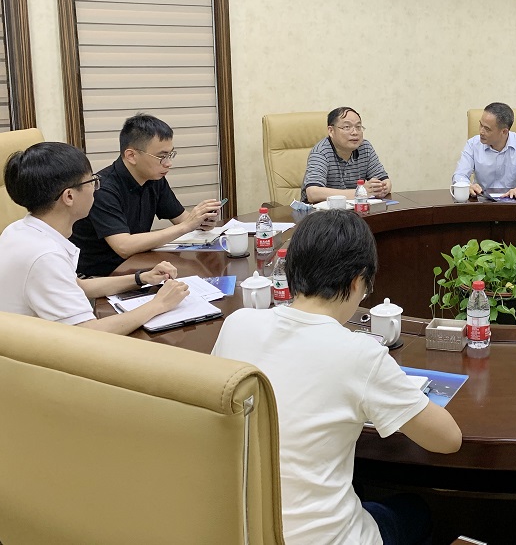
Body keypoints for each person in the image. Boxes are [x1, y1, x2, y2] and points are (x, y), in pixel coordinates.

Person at [211, 209, 462, 545]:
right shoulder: (361, 354)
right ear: (358, 281)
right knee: (415, 510)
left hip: (240, 530)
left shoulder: (238, 324)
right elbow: (448, 440)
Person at [0, 142, 189, 334]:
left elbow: (79, 286)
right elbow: (88, 333)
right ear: (69, 196)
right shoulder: (46, 257)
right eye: (91, 181)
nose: (96, 188)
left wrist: (141, 278)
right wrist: (159, 304)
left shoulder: (18, 230)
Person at [70, 114, 223, 276]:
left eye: (170, 155)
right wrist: (187, 226)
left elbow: (182, 219)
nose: (168, 163)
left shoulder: (154, 178)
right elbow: (123, 246)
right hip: (99, 276)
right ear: (131, 156)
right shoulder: (103, 189)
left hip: (138, 265)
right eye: (161, 157)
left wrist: (202, 221)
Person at [301, 107, 391, 203]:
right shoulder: (321, 151)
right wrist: (360, 192)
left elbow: (385, 181)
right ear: (331, 131)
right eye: (347, 127)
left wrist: (381, 188)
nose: (355, 132)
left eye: (358, 127)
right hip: (322, 211)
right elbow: (313, 193)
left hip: (354, 209)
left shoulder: (365, 147)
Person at [452, 102, 516, 202]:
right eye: (481, 125)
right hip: (481, 202)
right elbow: (459, 175)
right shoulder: (472, 144)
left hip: (512, 203)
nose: (481, 131)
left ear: (504, 132)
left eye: (487, 129)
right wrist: (466, 185)